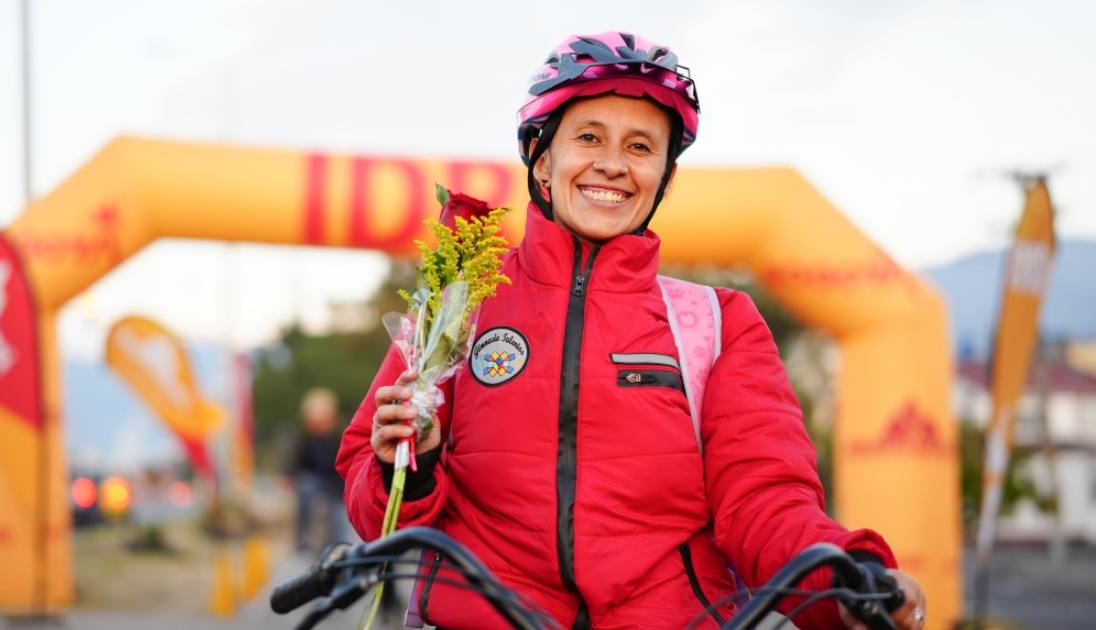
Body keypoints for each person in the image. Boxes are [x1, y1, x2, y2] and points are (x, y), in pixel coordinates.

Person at [337, 32, 927, 630]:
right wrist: (406, 466)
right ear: (542, 160)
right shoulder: (460, 302)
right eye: (588, 136)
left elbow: (764, 498)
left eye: (641, 146)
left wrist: (845, 577)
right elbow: (370, 496)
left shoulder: (720, 324)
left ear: (663, 177)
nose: (613, 164)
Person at [282, 387, 350, 551]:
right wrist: (287, 475)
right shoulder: (304, 436)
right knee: (305, 490)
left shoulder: (340, 434)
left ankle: (339, 545)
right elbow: (293, 457)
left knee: (338, 515)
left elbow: (349, 457)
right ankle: (303, 536)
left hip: (336, 481)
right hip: (313, 479)